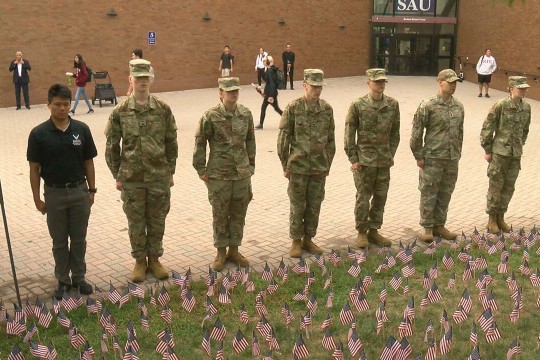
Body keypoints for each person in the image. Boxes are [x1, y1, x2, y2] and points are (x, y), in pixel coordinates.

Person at [105, 59, 178, 282]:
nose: (142, 82)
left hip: (158, 177)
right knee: (136, 222)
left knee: (157, 220)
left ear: (151, 80)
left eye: (146, 78)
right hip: (132, 179)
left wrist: (170, 171)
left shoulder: (162, 109)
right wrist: (117, 174)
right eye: (138, 78)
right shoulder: (120, 111)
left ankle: (154, 260)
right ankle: (139, 262)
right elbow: (111, 146)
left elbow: (171, 142)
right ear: (130, 80)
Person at [27, 83, 97, 299]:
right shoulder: (38, 134)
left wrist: (91, 191)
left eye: (66, 104)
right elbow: (34, 169)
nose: (62, 109)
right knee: (59, 241)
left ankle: (79, 278)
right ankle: (63, 280)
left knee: (78, 239)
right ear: (48, 105)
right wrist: (37, 199)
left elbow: (89, 163)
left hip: (79, 192)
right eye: (57, 104)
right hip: (54, 194)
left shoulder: (81, 130)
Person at [193, 77, 255, 271]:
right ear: (221, 93)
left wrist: (251, 165)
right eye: (229, 91)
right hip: (219, 175)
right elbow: (200, 142)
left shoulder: (245, 114)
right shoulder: (210, 116)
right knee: (220, 214)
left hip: (241, 175)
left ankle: (234, 250)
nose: (233, 94)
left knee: (238, 213)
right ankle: (221, 252)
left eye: (236, 90)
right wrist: (200, 169)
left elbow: (250, 140)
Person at [277, 69, 335, 257]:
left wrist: (328, 163)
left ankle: (309, 239)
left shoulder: (326, 109)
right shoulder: (293, 108)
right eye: (313, 86)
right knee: (297, 205)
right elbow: (283, 139)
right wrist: (285, 165)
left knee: (314, 204)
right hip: (298, 167)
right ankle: (296, 240)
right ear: (305, 86)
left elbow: (331, 140)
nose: (317, 90)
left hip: (319, 166)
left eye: (319, 87)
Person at [344, 68, 400, 248]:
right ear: (368, 82)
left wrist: (390, 153)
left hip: (383, 160)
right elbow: (349, 133)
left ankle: (374, 230)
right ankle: (361, 231)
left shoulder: (392, 104)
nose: (381, 85)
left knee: (380, 197)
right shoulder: (358, 105)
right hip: (364, 161)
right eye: (377, 82)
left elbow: (395, 133)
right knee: (363, 197)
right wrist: (353, 158)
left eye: (383, 81)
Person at [410, 69, 464, 243]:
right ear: (440, 83)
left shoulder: (458, 106)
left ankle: (439, 225)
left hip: (451, 158)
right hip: (432, 158)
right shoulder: (428, 105)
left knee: (445, 192)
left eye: (455, 82)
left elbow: (460, 132)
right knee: (429, 192)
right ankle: (427, 227)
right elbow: (416, 133)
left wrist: (458, 153)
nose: (453, 85)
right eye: (450, 82)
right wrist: (419, 155)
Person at [480, 76, 531, 234]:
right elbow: (487, 128)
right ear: (510, 88)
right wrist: (488, 150)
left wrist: (520, 144)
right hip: (500, 153)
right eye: (520, 88)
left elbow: (525, 130)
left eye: (524, 88)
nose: (523, 90)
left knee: (509, 187)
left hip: (515, 154)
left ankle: (501, 217)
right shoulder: (500, 105)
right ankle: (492, 220)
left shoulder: (527, 107)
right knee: (496, 186)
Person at [256, 56, 283, 129]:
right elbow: (269, 81)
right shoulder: (271, 69)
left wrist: (270, 96)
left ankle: (261, 124)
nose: (263, 62)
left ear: (268, 61)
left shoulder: (270, 70)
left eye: (265, 61)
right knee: (276, 108)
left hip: (271, 93)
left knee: (264, 107)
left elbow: (271, 83)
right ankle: (287, 119)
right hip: (271, 92)